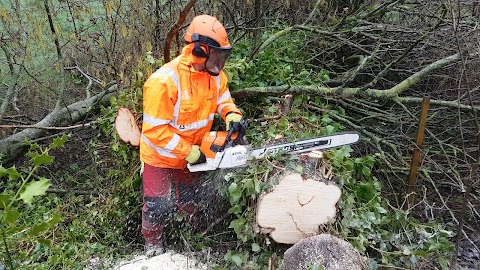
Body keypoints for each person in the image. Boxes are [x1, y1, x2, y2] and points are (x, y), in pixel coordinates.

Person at [139, 14, 243, 255]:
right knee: (158, 206)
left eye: (223, 55)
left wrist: (232, 115)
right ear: (200, 49)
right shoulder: (164, 82)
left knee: (193, 199)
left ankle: (195, 239)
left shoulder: (214, 76)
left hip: (193, 155)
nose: (220, 61)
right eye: (217, 54)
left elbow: (223, 98)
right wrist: (188, 151)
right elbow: (156, 132)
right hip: (160, 156)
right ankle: (152, 243)